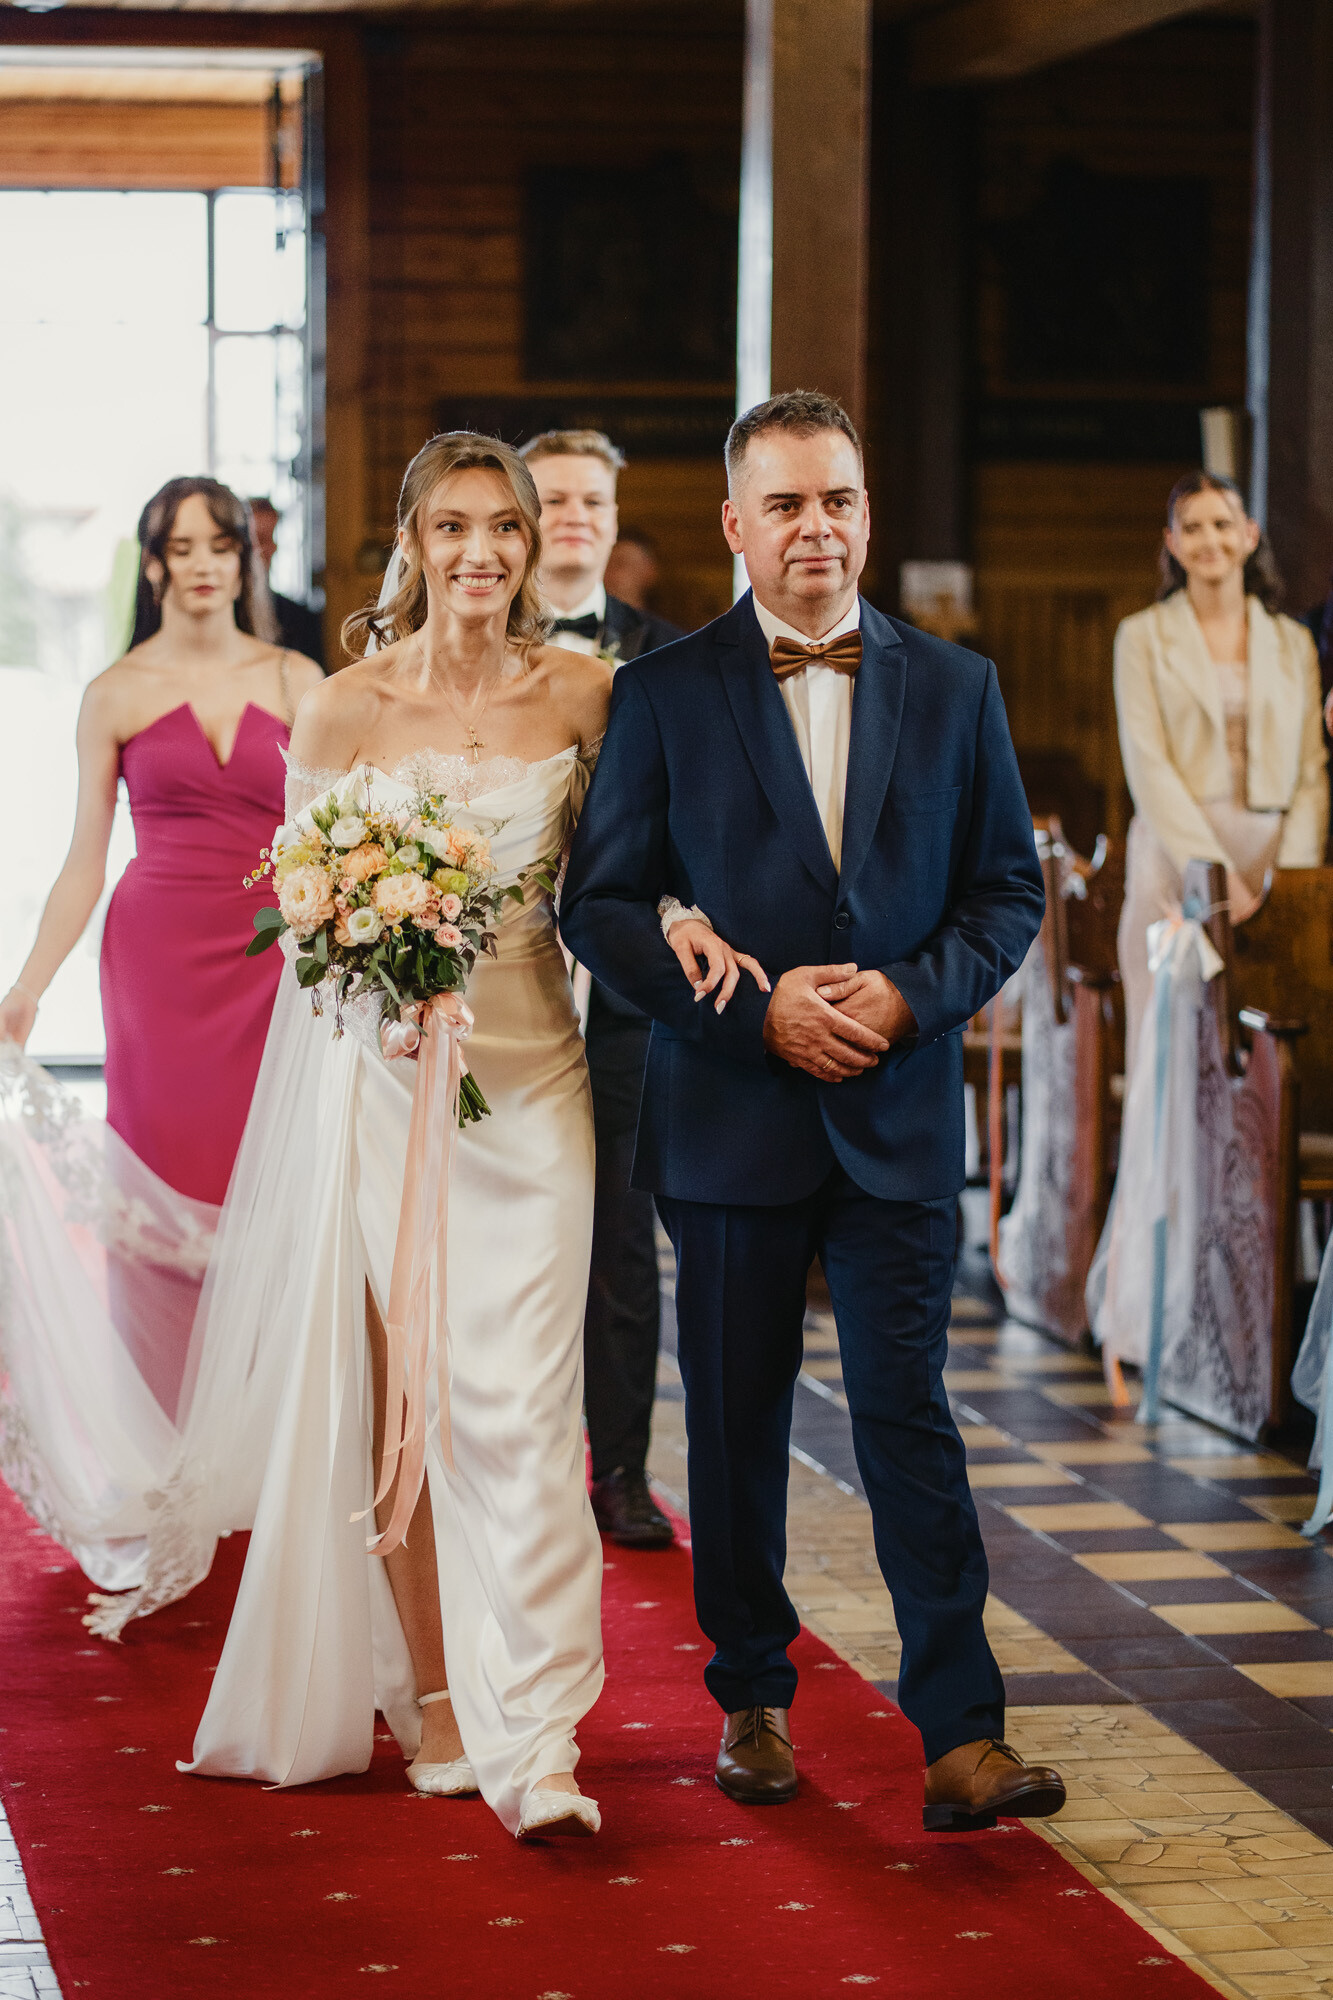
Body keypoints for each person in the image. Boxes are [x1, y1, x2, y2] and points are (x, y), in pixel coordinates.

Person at [562, 391, 1067, 1833]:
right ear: (736, 524)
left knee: (911, 1415)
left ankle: (961, 1731)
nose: (815, 528)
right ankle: (751, 1697)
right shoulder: (664, 692)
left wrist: (909, 996)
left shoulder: (956, 687)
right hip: (730, 1113)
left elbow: (1005, 893)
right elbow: (600, 905)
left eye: (836, 499)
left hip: (896, 1114)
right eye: (784, 504)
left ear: (865, 511)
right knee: (733, 1422)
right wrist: (751, 1011)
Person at [127, 431, 641, 1843]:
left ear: (531, 544)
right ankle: (438, 1699)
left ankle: (542, 1727)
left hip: (536, 1079)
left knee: (527, 1403)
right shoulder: (344, 708)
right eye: (452, 527)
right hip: (385, 1083)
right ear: (411, 542)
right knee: (406, 1389)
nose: (480, 553)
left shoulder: (587, 693)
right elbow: (303, 918)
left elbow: (624, 876)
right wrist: (384, 991)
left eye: (504, 528)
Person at [0, 479, 321, 1438]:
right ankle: (161, 1437)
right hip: (156, 966)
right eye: (181, 548)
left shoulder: (297, 680)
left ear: (243, 560)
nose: (202, 564)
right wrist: (27, 987)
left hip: (274, 960)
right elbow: (84, 861)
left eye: (219, 545)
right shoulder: (115, 692)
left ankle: (262, 1438)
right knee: (161, 1183)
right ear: (154, 564)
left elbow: (331, 842)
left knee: (274, 1177)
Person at [521, 430, 683, 1547]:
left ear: (615, 521)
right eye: (554, 500)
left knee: (623, 1238)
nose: (575, 516)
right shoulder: (477, 647)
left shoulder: (672, 660)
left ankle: (620, 1467)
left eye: (593, 500)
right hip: (503, 976)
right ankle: (501, 1456)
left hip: (625, 987)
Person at [1112, 472, 1327, 1079]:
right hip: (1175, 859)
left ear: (1250, 535)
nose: (1211, 540)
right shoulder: (1141, 637)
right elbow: (1148, 766)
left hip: (1272, 861)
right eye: (1193, 527)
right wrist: (1213, 877)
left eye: (1223, 524)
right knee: (1174, 1052)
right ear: (1172, 543)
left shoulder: (1294, 643)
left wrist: (1292, 884)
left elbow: (1311, 771)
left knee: (1266, 1055)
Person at [248, 496, 325, 668]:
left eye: (269, 539)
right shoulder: (219, 614)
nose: (263, 550)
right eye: (257, 540)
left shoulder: (301, 618)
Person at [604, 525, 664, 614]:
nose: (607, 572)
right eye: (605, 564)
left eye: (620, 563)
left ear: (649, 571)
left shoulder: (662, 623)